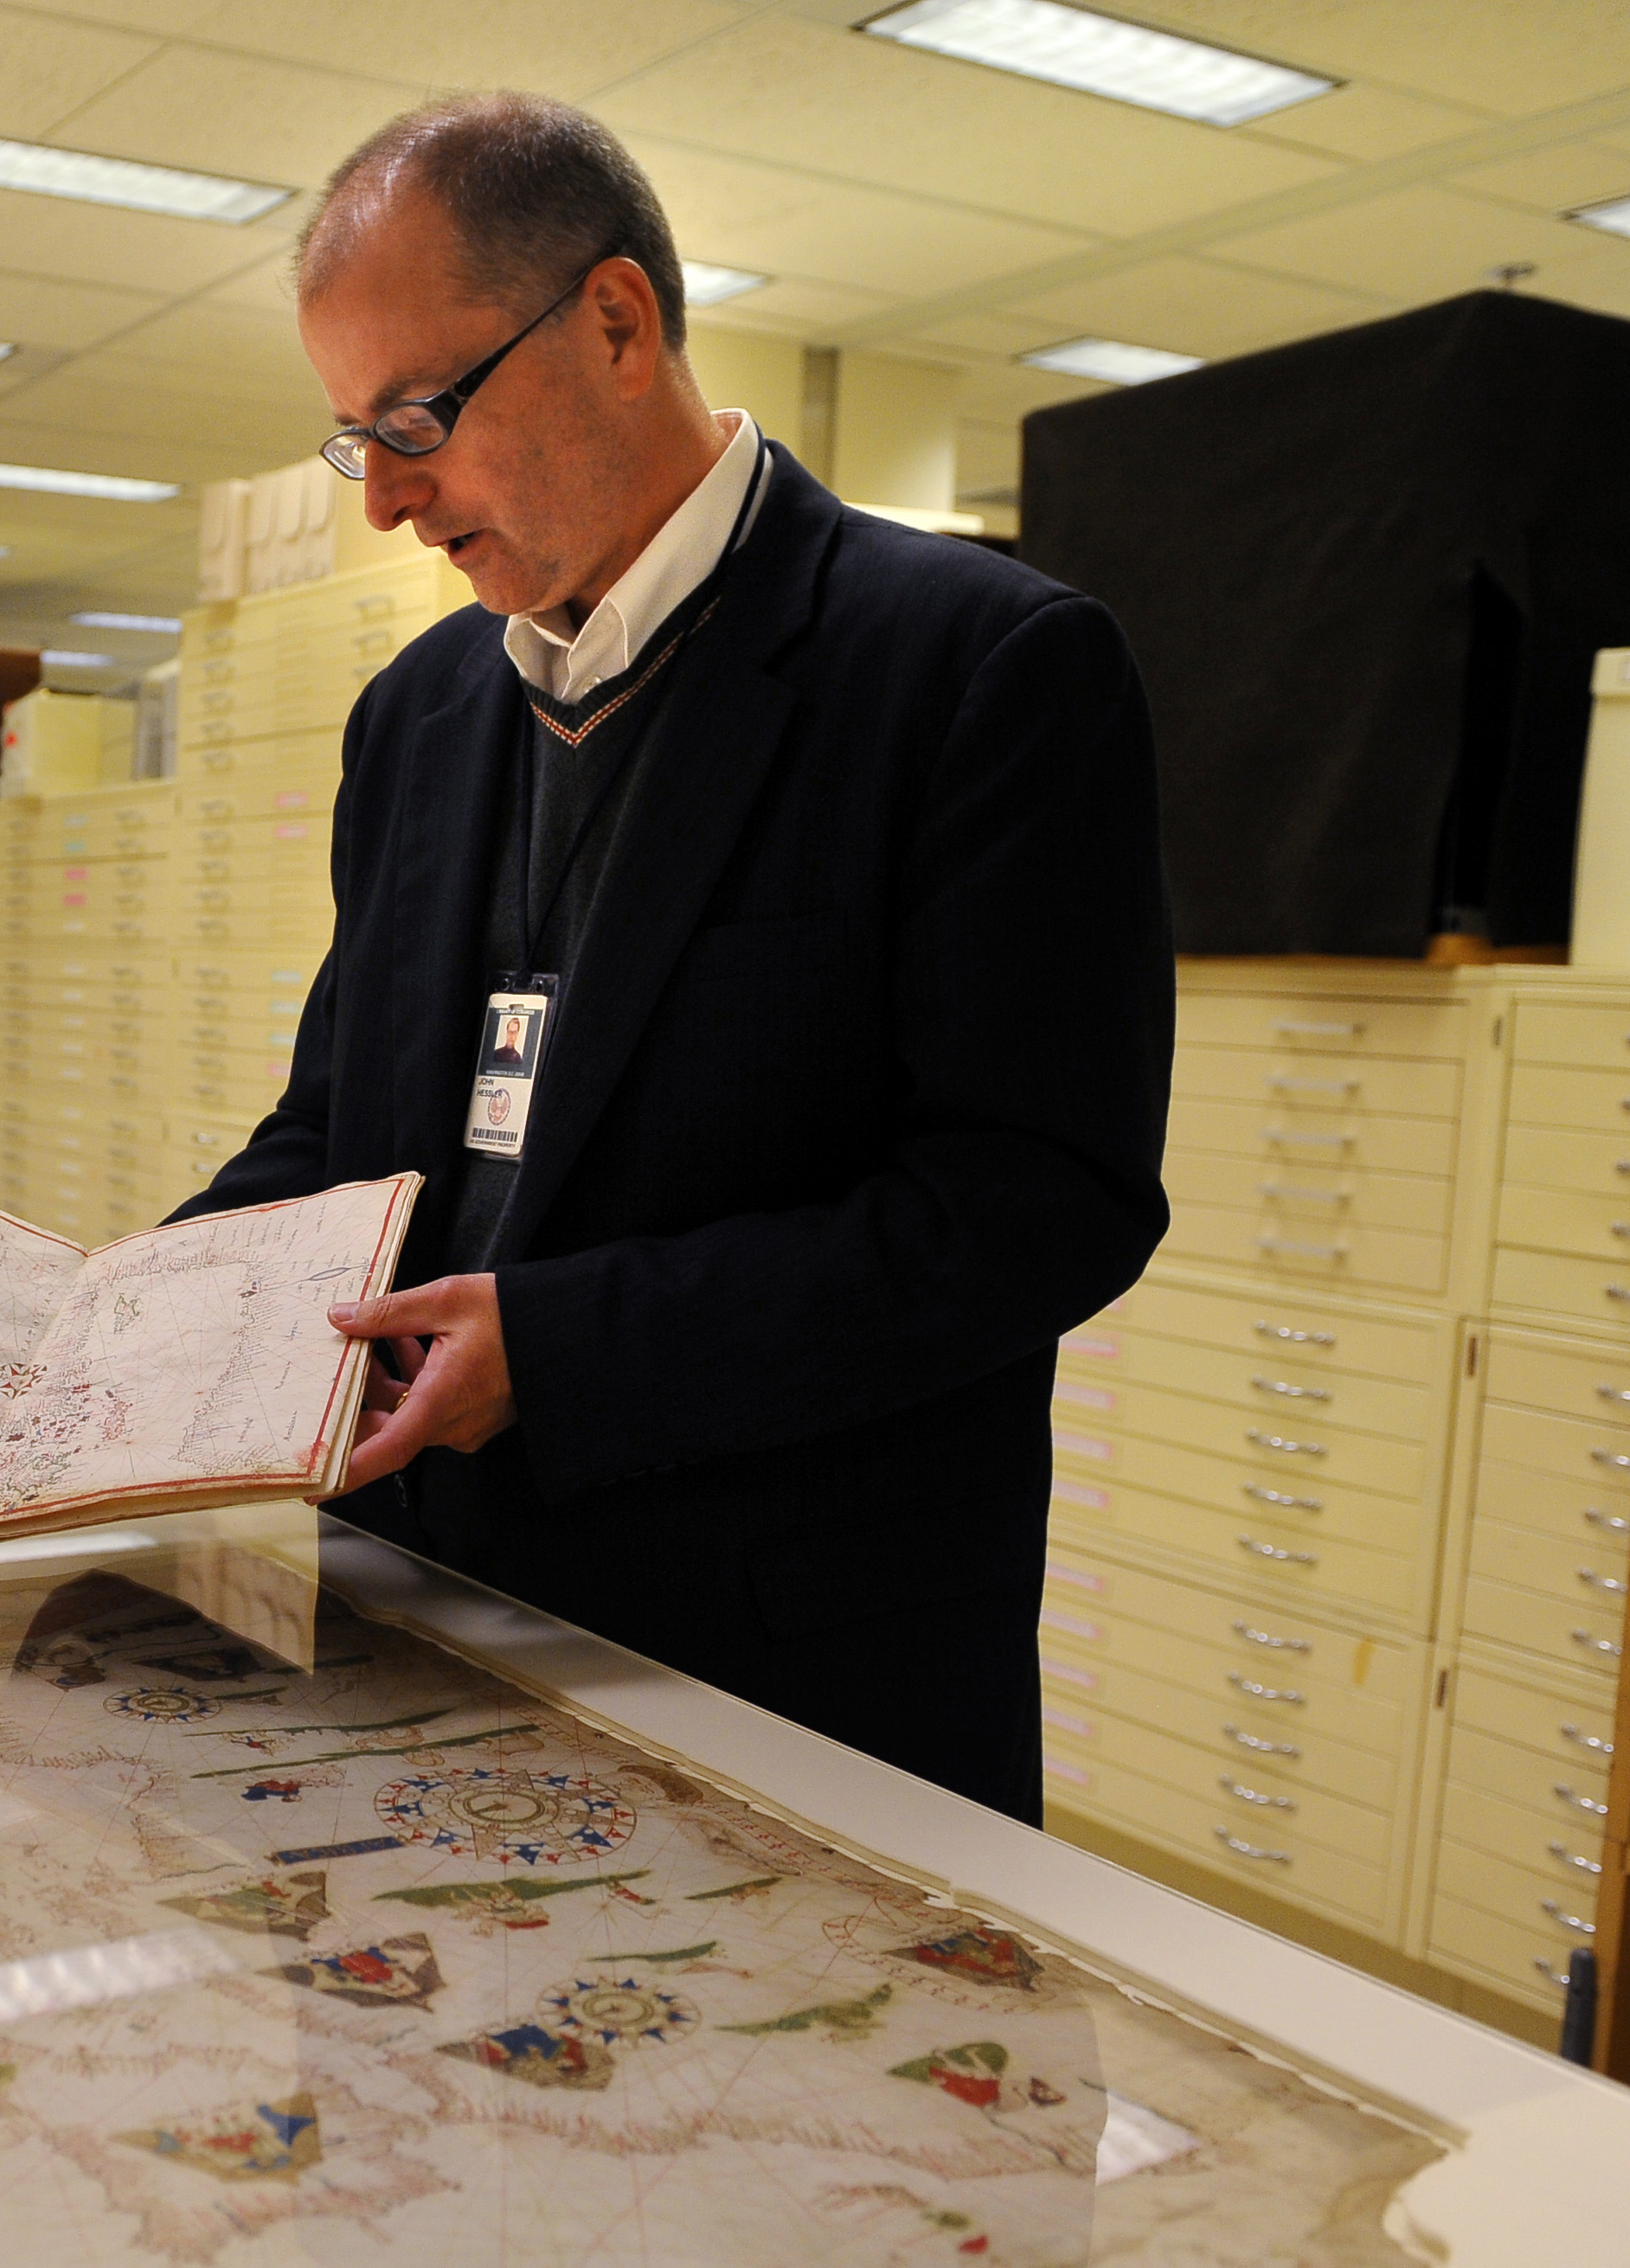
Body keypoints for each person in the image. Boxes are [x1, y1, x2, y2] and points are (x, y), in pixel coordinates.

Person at [167, 93, 1174, 1824]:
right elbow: (336, 1129)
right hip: (408, 1641)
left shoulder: (974, 673)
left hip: (785, 1683)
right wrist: (132, 1319)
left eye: (416, 417)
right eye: (357, 440)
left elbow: (1034, 1204)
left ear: (614, 324)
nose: (392, 500)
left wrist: (562, 1351)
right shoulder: (414, 718)